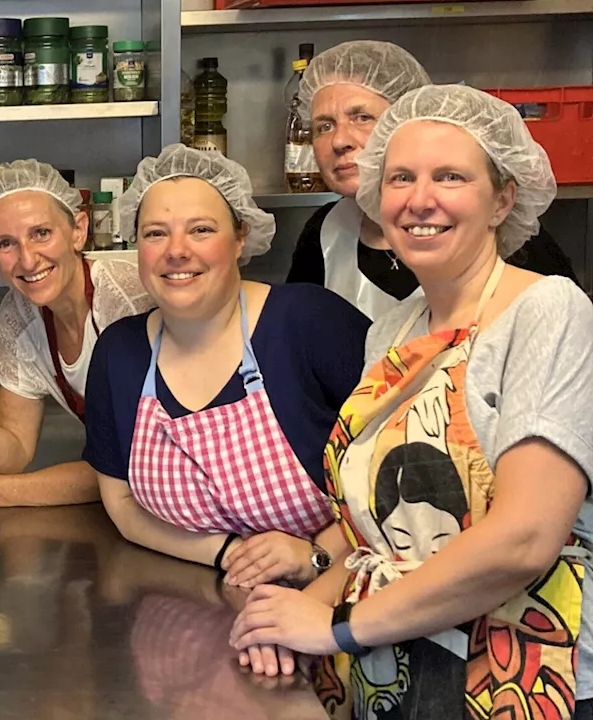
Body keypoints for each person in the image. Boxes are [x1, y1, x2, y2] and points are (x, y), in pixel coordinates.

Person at [229, 85, 593, 718]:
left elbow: (526, 538)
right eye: (400, 177)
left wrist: (334, 628)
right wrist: (283, 618)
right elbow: (372, 531)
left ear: (502, 197)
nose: (419, 200)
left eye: (449, 176)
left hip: (526, 672)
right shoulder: (391, 331)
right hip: (398, 659)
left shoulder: (547, 311)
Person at [84, 145, 371, 591]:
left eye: (201, 230)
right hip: (189, 609)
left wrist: (316, 554)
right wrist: (230, 553)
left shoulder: (308, 322)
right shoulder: (119, 353)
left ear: (240, 238)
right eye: (155, 233)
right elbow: (122, 505)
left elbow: (399, 470)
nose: (176, 251)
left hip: (342, 594)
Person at [0, 159, 153, 515]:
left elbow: (130, 465)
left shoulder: (128, 302)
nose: (28, 260)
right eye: (6, 243)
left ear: (78, 230)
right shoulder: (18, 316)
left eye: (41, 233)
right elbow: (15, 450)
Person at [285, 40, 576, 320]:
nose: (339, 141)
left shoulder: (515, 242)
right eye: (323, 126)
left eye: (361, 117)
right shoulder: (323, 234)